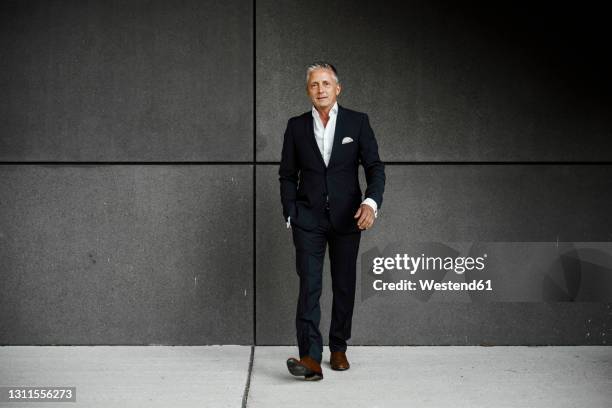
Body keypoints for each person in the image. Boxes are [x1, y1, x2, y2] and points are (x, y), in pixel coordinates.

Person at [279, 61, 386, 381]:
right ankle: (310, 358)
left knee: (343, 284)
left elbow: (375, 168)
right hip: (307, 219)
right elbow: (286, 175)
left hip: (347, 219)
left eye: (326, 84)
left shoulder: (357, 122)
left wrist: (370, 203)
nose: (320, 89)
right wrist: (290, 211)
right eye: (314, 84)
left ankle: (338, 346)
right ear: (308, 90)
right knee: (309, 286)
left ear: (337, 89)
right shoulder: (296, 126)